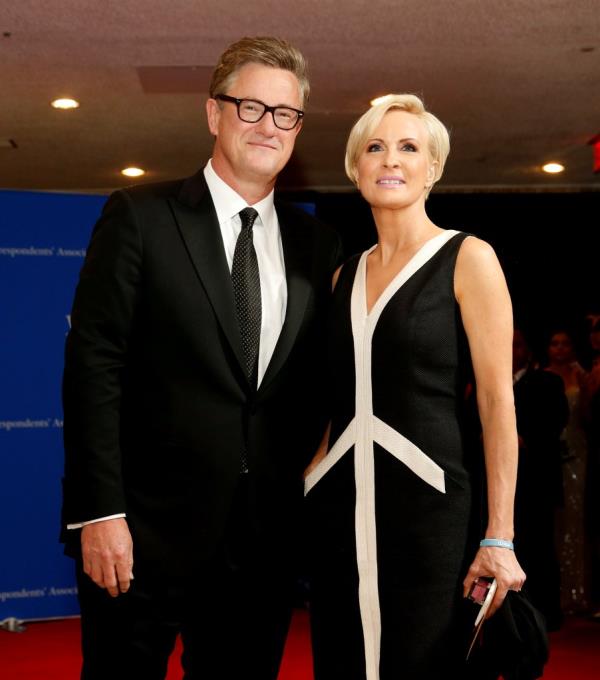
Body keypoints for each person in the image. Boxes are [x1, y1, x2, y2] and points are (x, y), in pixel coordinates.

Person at [61, 36, 341, 680]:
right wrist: (101, 513)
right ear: (213, 113)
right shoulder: (140, 216)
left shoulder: (318, 244)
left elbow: (318, 385)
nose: (268, 126)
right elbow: (93, 366)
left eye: (285, 114)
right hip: (139, 536)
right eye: (250, 107)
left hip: (262, 544)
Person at [303, 94, 525, 679]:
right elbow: (339, 397)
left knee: (422, 661)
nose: (390, 160)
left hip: (431, 510)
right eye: (374, 147)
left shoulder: (468, 257)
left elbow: (499, 404)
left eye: (408, 147)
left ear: (434, 167)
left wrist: (499, 535)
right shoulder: (340, 276)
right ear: (356, 169)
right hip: (341, 505)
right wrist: (308, 480)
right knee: (345, 655)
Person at [512, 327, 568, 629]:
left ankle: (543, 613)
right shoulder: (477, 381)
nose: (510, 351)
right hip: (493, 482)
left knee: (539, 545)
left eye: (517, 345)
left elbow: (557, 422)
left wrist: (523, 438)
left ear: (528, 350)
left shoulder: (546, 382)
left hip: (535, 479)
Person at [544, 329, 592, 614]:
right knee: (556, 521)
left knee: (577, 518)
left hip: (578, 450)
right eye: (554, 343)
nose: (559, 349)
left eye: (565, 343)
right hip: (550, 455)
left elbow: (587, 416)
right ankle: (559, 592)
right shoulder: (542, 375)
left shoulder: (581, 376)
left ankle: (578, 590)